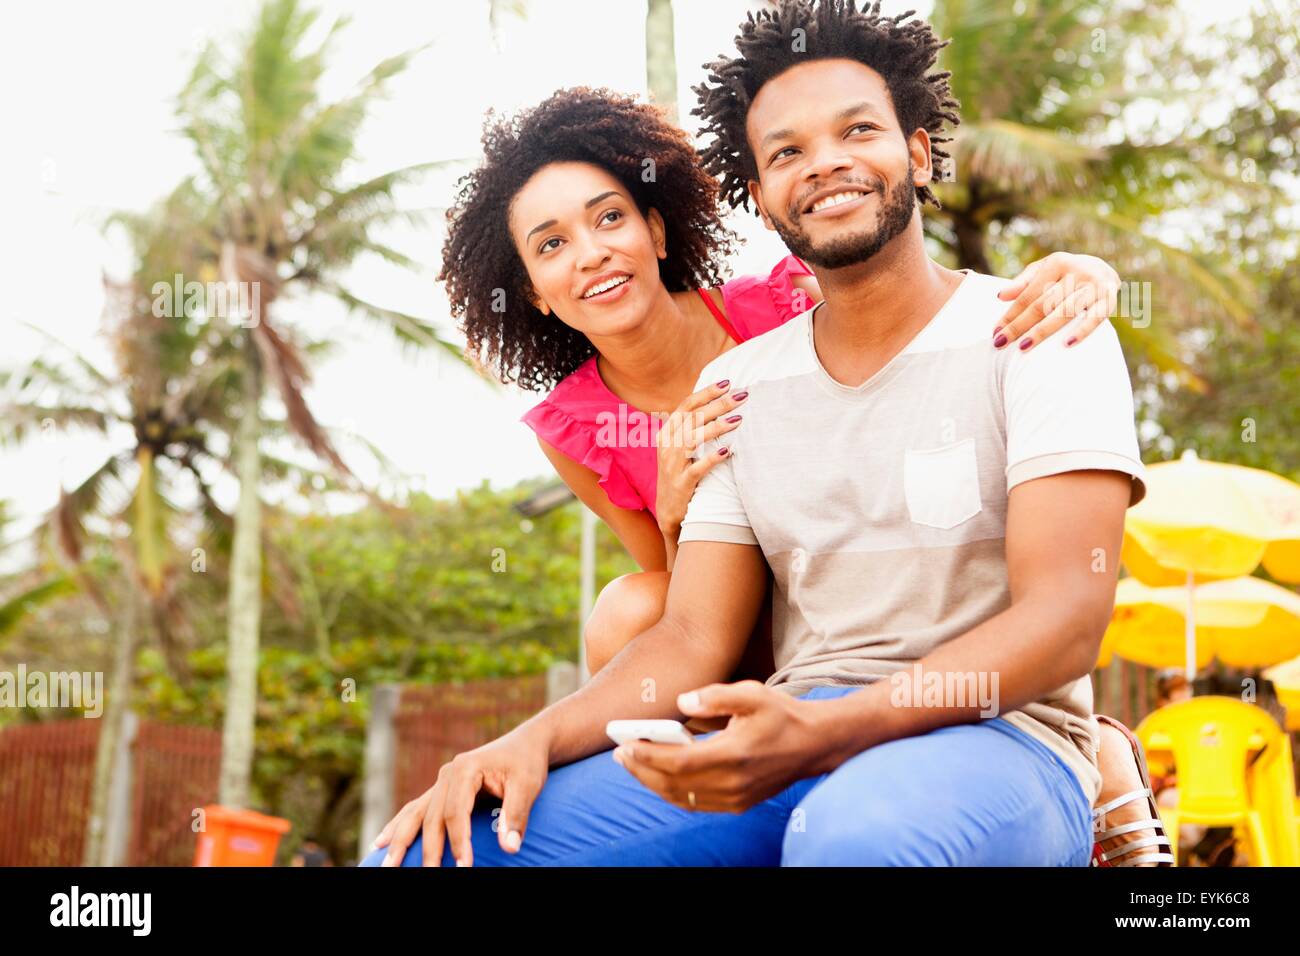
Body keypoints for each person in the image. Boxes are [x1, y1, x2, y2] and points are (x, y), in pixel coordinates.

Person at [365, 0, 1161, 867]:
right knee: (435, 853)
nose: (824, 164)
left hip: (995, 736)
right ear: (758, 193)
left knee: (854, 842)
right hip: (783, 719)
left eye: (857, 130)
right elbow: (692, 635)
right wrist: (528, 741)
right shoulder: (735, 383)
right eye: (786, 152)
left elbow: (1067, 617)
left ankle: (1107, 782)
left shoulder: (1041, 330)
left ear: (919, 150)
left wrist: (827, 733)